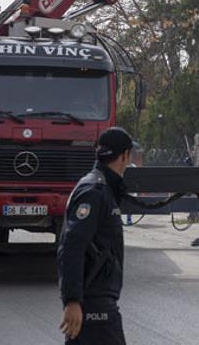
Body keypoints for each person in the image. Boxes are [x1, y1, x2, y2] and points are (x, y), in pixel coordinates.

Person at [58, 127, 134, 345]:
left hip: (94, 300)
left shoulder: (102, 188)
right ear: (125, 156)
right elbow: (71, 246)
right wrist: (72, 301)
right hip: (95, 302)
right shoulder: (94, 191)